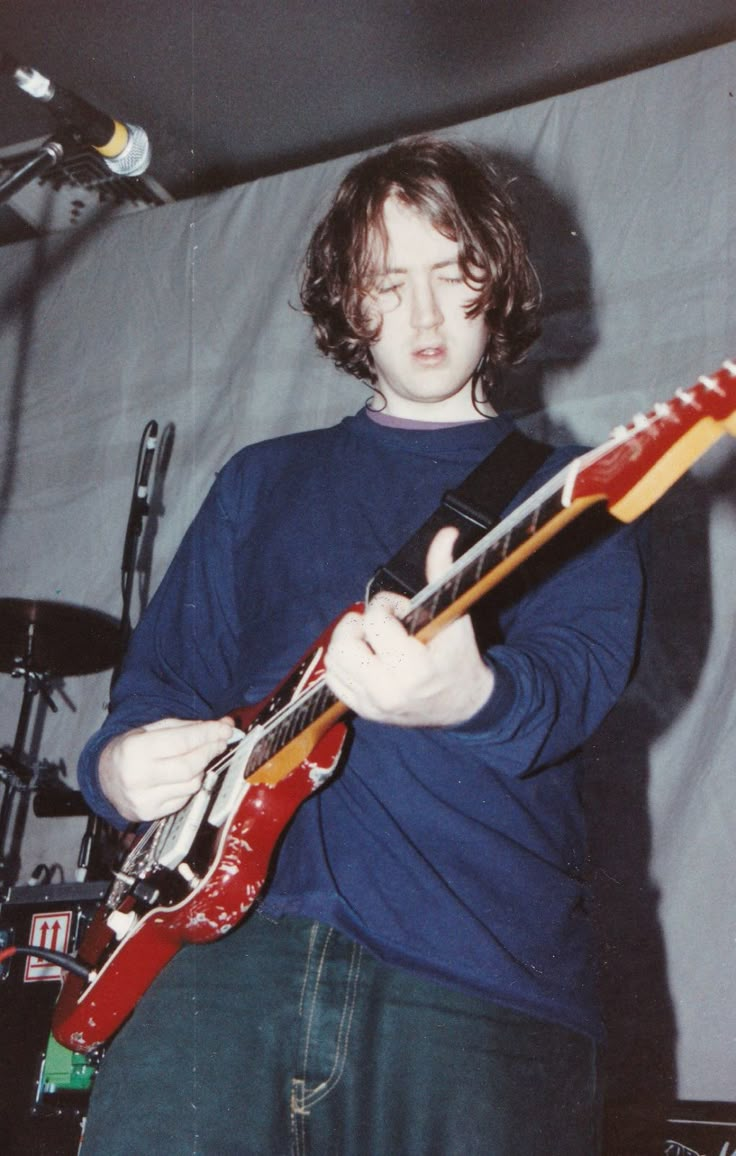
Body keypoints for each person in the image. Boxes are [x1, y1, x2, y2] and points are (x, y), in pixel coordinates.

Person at [77, 136, 646, 1154]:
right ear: (347, 301)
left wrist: (468, 695)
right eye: (388, 281)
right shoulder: (259, 481)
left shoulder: (573, 500)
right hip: (221, 963)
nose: (424, 317)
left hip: (477, 977)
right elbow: (156, 683)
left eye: (452, 274)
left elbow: (568, 689)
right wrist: (117, 766)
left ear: (499, 282)